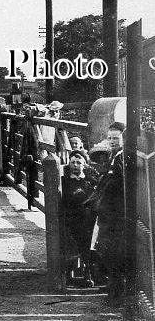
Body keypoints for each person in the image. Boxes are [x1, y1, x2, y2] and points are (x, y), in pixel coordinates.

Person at [90, 121, 128, 305]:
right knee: (106, 251)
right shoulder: (112, 156)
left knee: (113, 253)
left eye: (116, 138)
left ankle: (116, 294)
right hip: (107, 213)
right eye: (110, 137)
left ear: (123, 138)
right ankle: (112, 290)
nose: (112, 141)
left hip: (115, 214)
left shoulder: (122, 158)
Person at [62, 150, 97, 286]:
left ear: (84, 165)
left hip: (88, 220)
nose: (75, 165)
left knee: (88, 247)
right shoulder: (65, 181)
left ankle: (88, 274)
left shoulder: (89, 181)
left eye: (78, 162)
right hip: (72, 220)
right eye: (72, 163)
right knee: (72, 245)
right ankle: (69, 273)